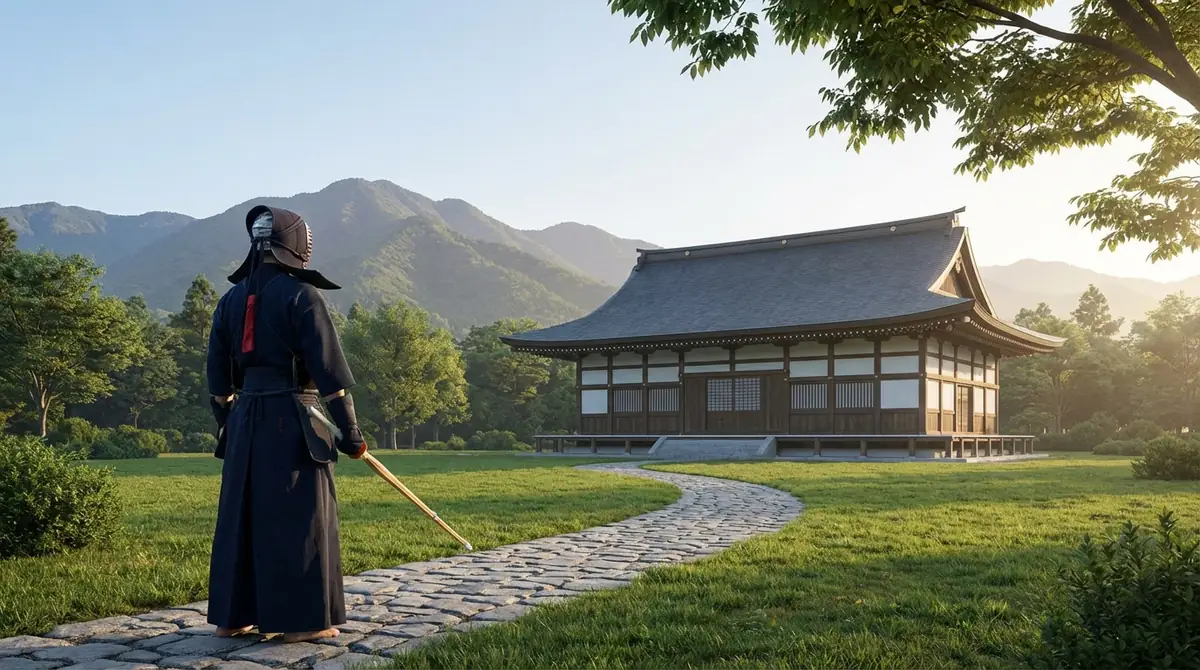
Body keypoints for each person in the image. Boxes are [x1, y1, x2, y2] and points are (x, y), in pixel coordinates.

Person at [205, 204, 368, 643]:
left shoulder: (229, 300)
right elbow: (331, 379)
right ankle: (304, 622)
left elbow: (218, 385)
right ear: (296, 245)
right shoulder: (302, 296)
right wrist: (351, 432)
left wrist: (228, 425)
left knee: (242, 516)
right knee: (301, 518)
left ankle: (232, 617)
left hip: (244, 423)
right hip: (297, 420)